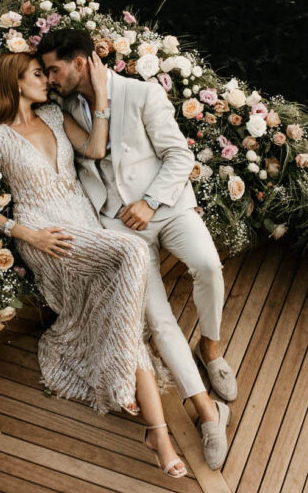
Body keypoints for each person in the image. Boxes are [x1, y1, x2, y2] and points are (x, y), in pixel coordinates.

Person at [0, 50, 190, 479]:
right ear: (15, 81)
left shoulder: (53, 116)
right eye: (37, 74)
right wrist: (26, 234)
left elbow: (95, 146)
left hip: (83, 220)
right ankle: (131, 387)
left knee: (116, 311)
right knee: (132, 251)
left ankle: (157, 433)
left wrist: (102, 97)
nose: (46, 81)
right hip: (45, 235)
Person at [39, 27, 234, 470]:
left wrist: (150, 203)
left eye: (55, 69)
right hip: (117, 226)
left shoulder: (142, 94)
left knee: (206, 264)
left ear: (81, 62)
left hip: (168, 207)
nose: (50, 78)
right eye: (46, 71)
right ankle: (208, 413)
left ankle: (212, 349)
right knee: (157, 318)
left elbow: (180, 158)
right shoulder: (63, 108)